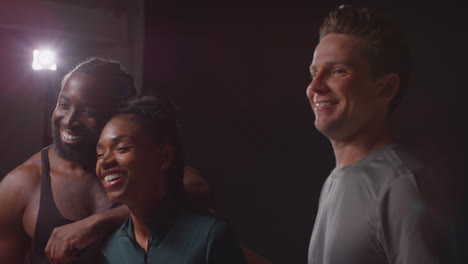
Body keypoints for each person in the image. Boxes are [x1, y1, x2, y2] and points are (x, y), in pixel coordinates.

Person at [306, 5, 439, 264]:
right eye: (314, 73)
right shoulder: (336, 180)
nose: (315, 86)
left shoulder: (401, 186)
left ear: (387, 87)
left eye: (337, 71)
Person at [0, 58, 136, 263]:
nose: (69, 120)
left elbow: (193, 187)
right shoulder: (19, 185)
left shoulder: (136, 164)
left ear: (116, 117)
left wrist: (96, 224)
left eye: (87, 111)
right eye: (64, 105)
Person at [95, 96, 247, 263]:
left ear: (165, 157)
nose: (104, 161)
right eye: (100, 154)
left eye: (122, 148)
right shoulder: (112, 248)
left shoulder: (210, 236)